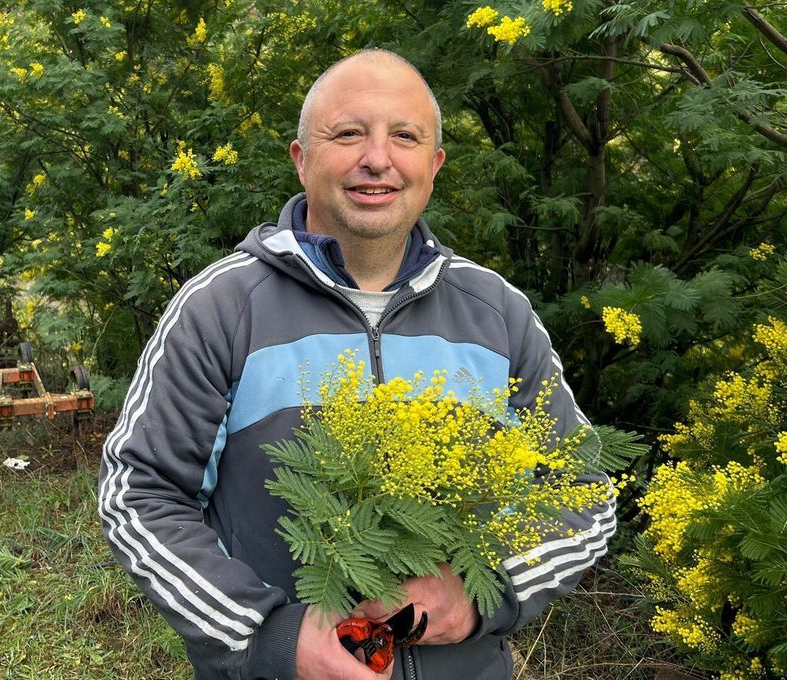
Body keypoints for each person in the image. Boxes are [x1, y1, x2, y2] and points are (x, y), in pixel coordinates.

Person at [98, 49, 616, 680]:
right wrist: (271, 638)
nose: (378, 158)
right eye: (347, 133)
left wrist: (490, 591)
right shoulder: (221, 308)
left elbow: (585, 493)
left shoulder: (498, 313)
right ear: (300, 159)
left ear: (434, 164)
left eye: (405, 136)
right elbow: (138, 494)